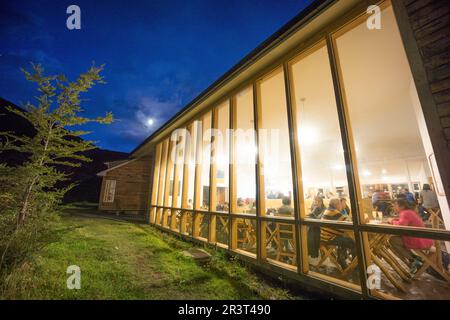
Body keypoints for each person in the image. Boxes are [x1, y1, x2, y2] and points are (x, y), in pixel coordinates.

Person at [388, 199, 434, 274]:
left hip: (420, 240)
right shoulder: (408, 212)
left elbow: (401, 226)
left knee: (393, 240)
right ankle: (414, 259)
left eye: (395, 206)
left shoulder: (405, 213)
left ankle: (413, 259)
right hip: (423, 238)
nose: (393, 208)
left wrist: (392, 221)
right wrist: (395, 220)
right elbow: (404, 221)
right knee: (394, 239)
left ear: (402, 206)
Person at [321, 198, 355, 269]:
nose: (341, 206)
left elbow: (344, 221)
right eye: (340, 204)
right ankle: (355, 265)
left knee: (345, 239)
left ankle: (341, 258)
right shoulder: (334, 212)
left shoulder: (329, 210)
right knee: (354, 242)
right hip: (329, 238)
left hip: (326, 237)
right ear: (336, 205)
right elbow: (347, 223)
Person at [307, 196, 325, 261]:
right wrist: (313, 211)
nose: (316, 203)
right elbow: (310, 216)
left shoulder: (324, 209)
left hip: (323, 229)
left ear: (321, 202)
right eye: (315, 201)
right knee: (311, 230)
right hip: (315, 227)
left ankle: (313, 252)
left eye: (318, 201)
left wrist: (312, 212)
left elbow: (318, 219)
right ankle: (313, 252)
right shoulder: (314, 208)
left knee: (311, 230)